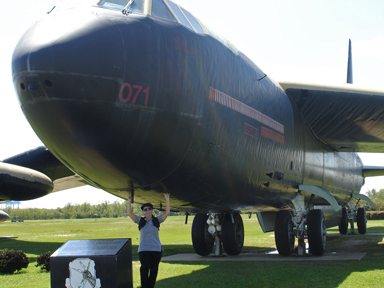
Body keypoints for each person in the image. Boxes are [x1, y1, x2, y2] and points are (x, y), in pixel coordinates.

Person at [127, 193, 170, 288]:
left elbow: (167, 213)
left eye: (149, 209)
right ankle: (144, 286)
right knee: (145, 268)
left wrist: (167, 199)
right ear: (143, 212)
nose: (148, 211)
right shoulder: (140, 220)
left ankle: (150, 286)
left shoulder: (157, 220)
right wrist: (129, 200)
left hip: (156, 249)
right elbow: (129, 214)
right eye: (145, 210)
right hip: (144, 249)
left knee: (154, 270)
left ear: (152, 210)